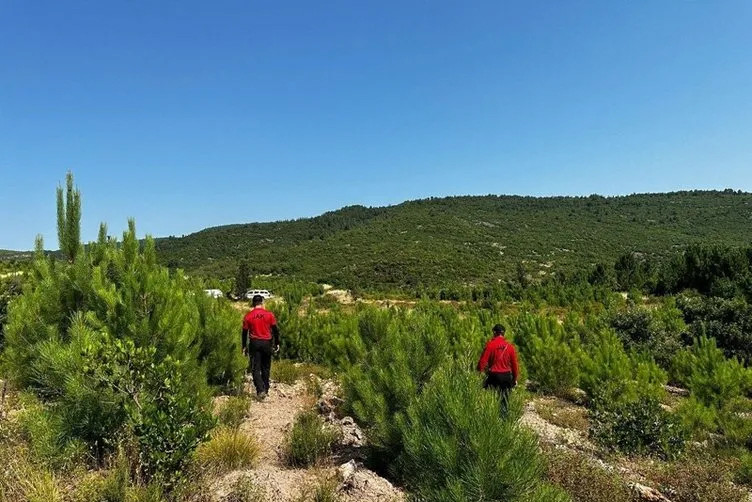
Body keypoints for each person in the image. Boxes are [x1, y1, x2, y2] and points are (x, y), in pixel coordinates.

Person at [242, 295, 280, 399]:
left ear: (253, 303)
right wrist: (277, 343)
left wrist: (244, 346)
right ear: (262, 302)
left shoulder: (248, 316)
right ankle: (266, 389)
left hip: (254, 343)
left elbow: (244, 333)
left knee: (255, 368)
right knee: (266, 367)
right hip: (267, 343)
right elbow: (275, 330)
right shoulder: (269, 315)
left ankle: (260, 389)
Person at [477, 324, 519, 404]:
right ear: (504, 334)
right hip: (506, 376)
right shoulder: (510, 347)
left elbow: (482, 361)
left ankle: (491, 416)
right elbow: (514, 365)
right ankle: (504, 416)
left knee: (491, 402)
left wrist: (479, 373)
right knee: (504, 401)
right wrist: (514, 379)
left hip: (493, 376)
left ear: (494, 333)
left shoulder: (490, 345)